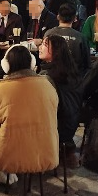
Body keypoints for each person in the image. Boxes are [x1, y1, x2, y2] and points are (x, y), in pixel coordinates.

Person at [0, 45, 58, 189]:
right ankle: (5, 173)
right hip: (43, 151)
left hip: (9, 153)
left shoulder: (1, 88)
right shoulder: (47, 85)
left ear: (6, 65)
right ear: (32, 63)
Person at [38, 34, 81, 169]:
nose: (40, 47)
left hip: (57, 128)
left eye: (45, 45)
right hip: (71, 125)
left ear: (55, 51)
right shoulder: (68, 70)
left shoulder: (47, 76)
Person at [45, 4, 91, 77]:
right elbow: (87, 63)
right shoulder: (81, 37)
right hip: (75, 78)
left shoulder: (48, 34)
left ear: (58, 17)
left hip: (51, 77)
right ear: (75, 19)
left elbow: (44, 60)